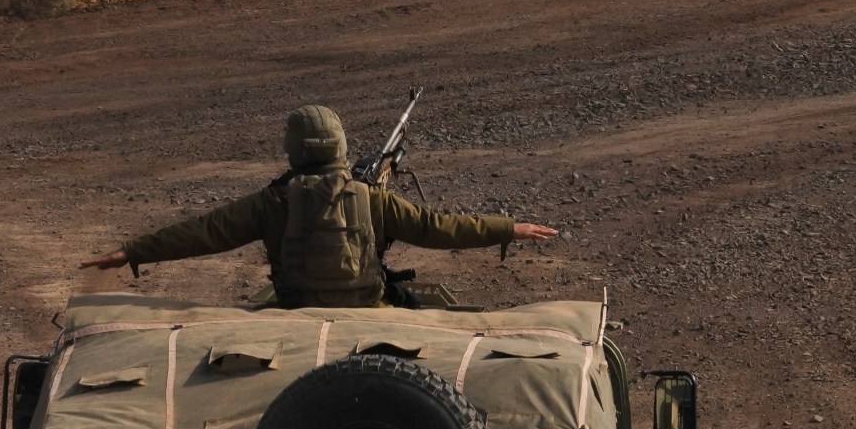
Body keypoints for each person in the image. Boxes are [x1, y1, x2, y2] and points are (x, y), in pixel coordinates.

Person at [80, 105, 559, 307]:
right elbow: (438, 228)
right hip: (369, 310)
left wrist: (133, 251)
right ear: (339, 147)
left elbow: (205, 231)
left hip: (294, 311)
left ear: (294, 149)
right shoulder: (372, 197)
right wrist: (507, 227)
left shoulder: (272, 202)